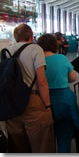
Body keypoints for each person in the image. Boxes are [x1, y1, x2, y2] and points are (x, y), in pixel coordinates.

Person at [6, 24, 55, 153]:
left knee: (18, 147)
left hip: (11, 103)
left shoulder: (7, 50)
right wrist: (47, 105)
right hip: (32, 100)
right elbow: (42, 81)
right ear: (31, 35)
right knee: (42, 145)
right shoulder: (35, 49)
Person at [37, 34, 79, 153]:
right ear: (54, 44)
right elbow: (73, 78)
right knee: (64, 137)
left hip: (42, 100)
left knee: (45, 138)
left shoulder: (37, 60)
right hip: (63, 101)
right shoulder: (61, 58)